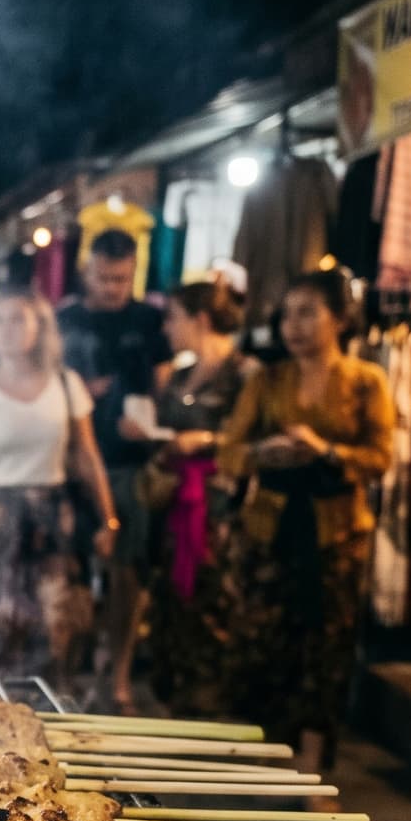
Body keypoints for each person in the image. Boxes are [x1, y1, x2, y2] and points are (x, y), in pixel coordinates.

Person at [218, 270, 394, 774]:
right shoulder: (267, 380)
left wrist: (328, 452)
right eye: (287, 313)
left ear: (339, 319)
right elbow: (228, 451)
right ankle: (270, 758)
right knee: (265, 641)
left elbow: (381, 457)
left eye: (307, 312)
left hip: (335, 531)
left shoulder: (366, 381)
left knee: (326, 645)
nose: (292, 326)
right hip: (269, 526)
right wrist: (262, 452)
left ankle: (315, 762)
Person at [0, 286, 117, 674]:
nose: (7, 329)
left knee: (58, 625)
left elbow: (87, 456)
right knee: (0, 629)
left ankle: (55, 705)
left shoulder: (65, 384)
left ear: (39, 327)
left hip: (53, 521)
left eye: (18, 319)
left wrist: (108, 517)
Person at [57, 227, 174, 707]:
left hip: (127, 463)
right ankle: (71, 675)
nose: (112, 288)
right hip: (71, 467)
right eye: (104, 278)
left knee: (128, 575)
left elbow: (162, 383)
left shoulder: (149, 320)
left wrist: (148, 422)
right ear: (87, 269)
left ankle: (119, 675)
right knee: (72, 577)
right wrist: (84, 393)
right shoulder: (64, 319)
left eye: (121, 280)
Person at [142, 281, 250, 716]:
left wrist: (206, 439)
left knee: (213, 595)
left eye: (174, 317)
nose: (167, 327)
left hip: (218, 505)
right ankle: (175, 693)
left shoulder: (246, 374)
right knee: (171, 595)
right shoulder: (179, 375)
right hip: (175, 501)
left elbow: (252, 440)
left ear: (201, 319)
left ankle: (211, 699)